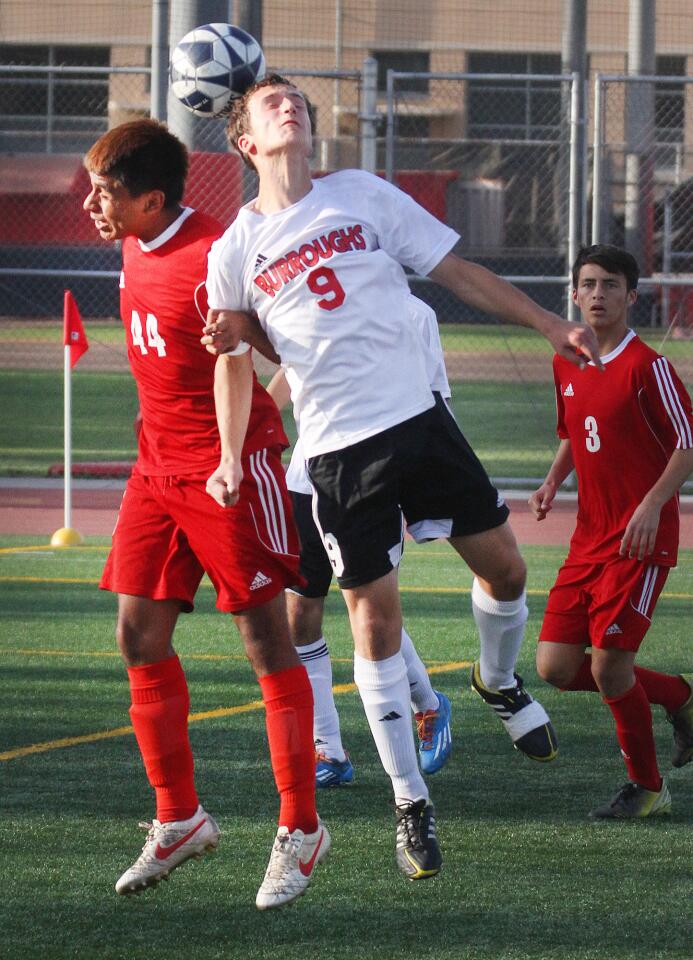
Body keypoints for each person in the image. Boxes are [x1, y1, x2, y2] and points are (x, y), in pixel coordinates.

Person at [202, 75, 601, 882]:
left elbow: (458, 274)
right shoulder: (234, 249)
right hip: (337, 453)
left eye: (296, 101)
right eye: (270, 104)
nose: (290, 107)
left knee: (509, 569)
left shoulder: (363, 194)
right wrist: (229, 453)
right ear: (245, 143)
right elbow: (234, 363)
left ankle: (494, 680)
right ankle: (409, 801)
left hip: (419, 422)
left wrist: (549, 324)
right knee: (372, 625)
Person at [82, 118, 329, 910]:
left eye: (107, 193)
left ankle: (300, 827)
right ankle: (178, 817)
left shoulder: (216, 256)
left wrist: (229, 458)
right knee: (137, 633)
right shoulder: (136, 238)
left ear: (153, 200)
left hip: (230, 468)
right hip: (155, 469)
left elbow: (256, 353)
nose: (94, 204)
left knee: (265, 642)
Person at [530, 244, 693, 819]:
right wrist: (554, 480)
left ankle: (646, 787)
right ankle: (678, 696)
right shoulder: (566, 359)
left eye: (611, 285)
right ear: (573, 294)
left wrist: (652, 505)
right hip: (589, 539)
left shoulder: (648, 366)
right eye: (589, 284)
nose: (599, 294)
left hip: (640, 541)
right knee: (555, 666)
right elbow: (576, 430)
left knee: (608, 665)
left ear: (631, 296)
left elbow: (687, 444)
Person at [266, 295, 456, 788]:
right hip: (306, 481)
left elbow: (435, 401)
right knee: (298, 617)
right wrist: (260, 421)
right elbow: (291, 368)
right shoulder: (308, 299)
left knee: (367, 614)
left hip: (373, 480)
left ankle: (429, 706)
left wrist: (424, 492)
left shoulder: (415, 314)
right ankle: (328, 751)